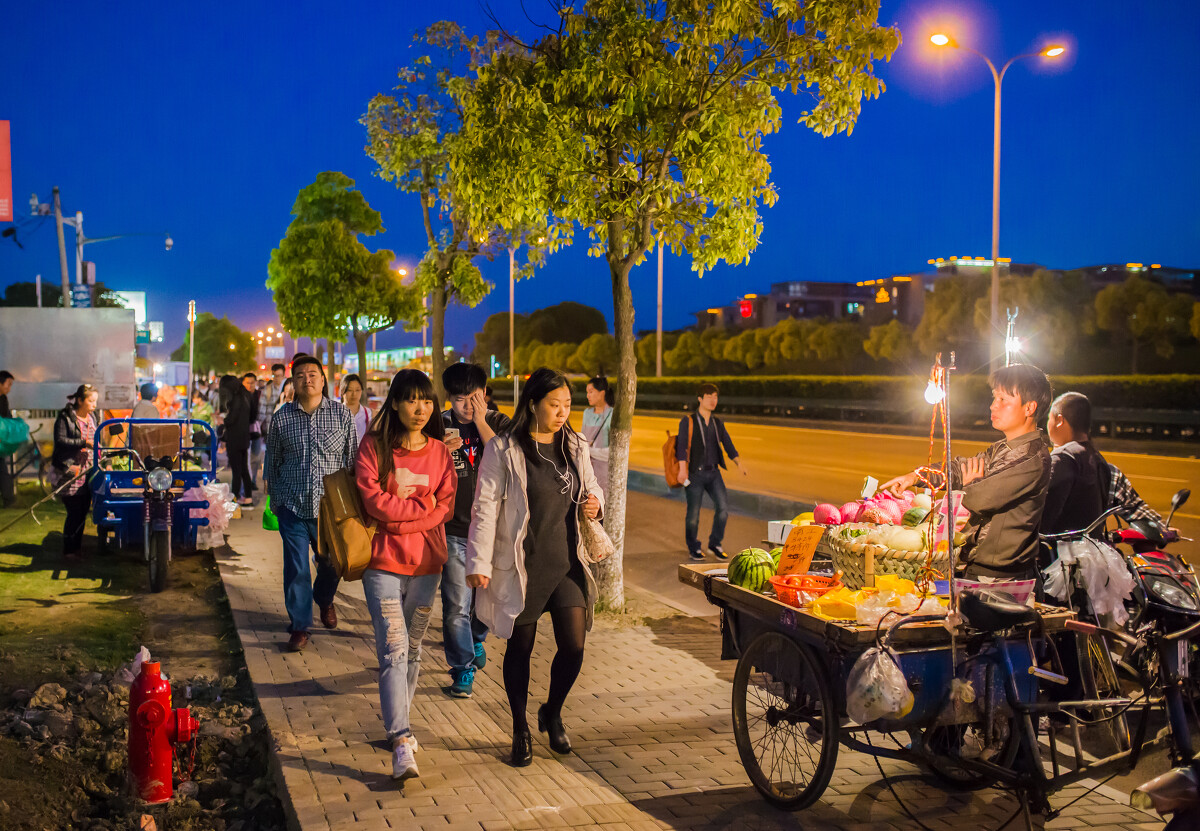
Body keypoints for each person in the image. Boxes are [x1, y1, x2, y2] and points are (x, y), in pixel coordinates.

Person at [466, 367, 604, 768]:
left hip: (566, 561)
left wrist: (595, 500)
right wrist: (478, 562)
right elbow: (486, 506)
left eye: (567, 405)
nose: (562, 412)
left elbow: (591, 485)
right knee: (520, 649)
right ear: (532, 404)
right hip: (522, 564)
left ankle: (552, 710)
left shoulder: (574, 444)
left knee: (574, 646)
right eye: (554, 405)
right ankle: (520, 727)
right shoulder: (505, 449)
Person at [354, 369, 456, 780]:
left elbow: (446, 504)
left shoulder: (440, 452)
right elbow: (373, 500)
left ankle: (402, 725)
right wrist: (421, 512)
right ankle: (400, 738)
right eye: (412, 400)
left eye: (427, 400)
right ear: (394, 402)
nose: (421, 408)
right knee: (394, 648)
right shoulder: (373, 447)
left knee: (413, 648)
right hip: (382, 563)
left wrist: (405, 517)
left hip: (428, 566)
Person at [881, 364, 1053, 590]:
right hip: (976, 569)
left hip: (1002, 580)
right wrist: (916, 476)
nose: (993, 406)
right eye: (994, 398)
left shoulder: (1032, 458)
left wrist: (971, 484)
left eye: (1003, 400)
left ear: (1029, 408)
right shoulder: (1002, 448)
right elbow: (959, 469)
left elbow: (980, 498)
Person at [265, 355, 357, 651]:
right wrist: (277, 500)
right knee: (296, 569)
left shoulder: (342, 416)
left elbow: (352, 461)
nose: (308, 379)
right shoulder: (281, 418)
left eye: (313, 374)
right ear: (293, 382)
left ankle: (325, 598)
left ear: (323, 379)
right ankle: (300, 626)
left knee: (332, 565)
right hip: (292, 505)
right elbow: (272, 464)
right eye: (301, 375)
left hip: (330, 510)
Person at [440, 362, 510, 698]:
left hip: (492, 531)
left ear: (486, 393)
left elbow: (508, 461)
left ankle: (477, 637)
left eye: (476, 397)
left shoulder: (499, 423)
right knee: (456, 604)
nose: (468, 405)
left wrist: (481, 421)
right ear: (449, 399)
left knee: (488, 601)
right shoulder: (437, 425)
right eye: (460, 399)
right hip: (452, 530)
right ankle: (462, 667)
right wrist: (438, 450)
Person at [1043, 391, 1172, 537]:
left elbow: (1037, 517)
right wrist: (1161, 529)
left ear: (1059, 420)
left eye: (1049, 418)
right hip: (1094, 553)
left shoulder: (1060, 460)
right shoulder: (1107, 468)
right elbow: (1135, 507)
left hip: (1056, 555)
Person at [675, 382, 746, 561]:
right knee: (693, 514)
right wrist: (682, 470)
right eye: (709, 397)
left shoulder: (716, 422)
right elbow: (681, 446)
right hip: (694, 474)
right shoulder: (688, 421)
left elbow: (728, 444)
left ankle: (715, 543)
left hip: (714, 473)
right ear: (700, 399)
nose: (713, 400)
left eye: (715, 397)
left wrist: (738, 463)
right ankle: (694, 547)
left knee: (723, 508)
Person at [53, 385, 100, 560]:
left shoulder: (93, 417)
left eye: (95, 400)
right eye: (91, 400)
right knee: (73, 511)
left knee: (82, 511)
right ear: (80, 400)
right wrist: (83, 443)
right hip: (70, 470)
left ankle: (77, 548)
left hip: (87, 470)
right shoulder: (65, 418)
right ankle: (69, 549)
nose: (94, 404)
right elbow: (60, 440)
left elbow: (96, 439)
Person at [219, 374, 255, 508]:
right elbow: (253, 416)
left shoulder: (235, 398)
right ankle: (248, 498)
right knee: (244, 469)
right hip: (244, 436)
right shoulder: (246, 395)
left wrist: (223, 420)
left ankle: (234, 497)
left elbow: (231, 419)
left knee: (236, 469)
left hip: (235, 437)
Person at [581, 376, 614, 498]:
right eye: (587, 392)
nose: (587, 396)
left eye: (591, 392)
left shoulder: (612, 414)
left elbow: (613, 452)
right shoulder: (587, 413)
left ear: (602, 393)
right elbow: (583, 441)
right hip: (587, 470)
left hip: (604, 472)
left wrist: (589, 451)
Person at [242, 372, 263, 491]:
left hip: (256, 431)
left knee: (255, 458)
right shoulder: (240, 396)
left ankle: (253, 480)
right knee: (244, 458)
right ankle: (246, 481)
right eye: (247, 383)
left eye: (252, 383)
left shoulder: (260, 395)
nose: (250, 385)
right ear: (243, 383)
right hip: (243, 431)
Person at [341, 374, 371, 446]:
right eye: (350, 390)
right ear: (342, 391)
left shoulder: (368, 413)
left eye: (357, 390)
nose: (354, 394)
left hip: (362, 456)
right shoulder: (334, 413)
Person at [258, 364, 286, 439]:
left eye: (279, 375)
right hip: (271, 430)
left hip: (287, 430)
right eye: (274, 376)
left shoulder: (290, 389)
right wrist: (258, 427)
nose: (276, 378)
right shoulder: (267, 390)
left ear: (283, 375)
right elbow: (262, 411)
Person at [0, 370, 15, 507]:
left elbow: (7, 418)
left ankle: (8, 499)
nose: (9, 388)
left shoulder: (3, 399)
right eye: (8, 384)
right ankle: (8, 499)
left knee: (2, 469)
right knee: (3, 470)